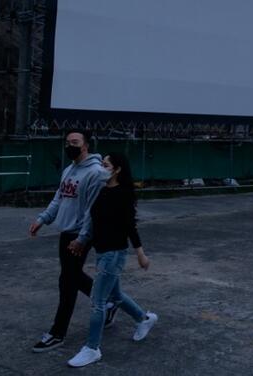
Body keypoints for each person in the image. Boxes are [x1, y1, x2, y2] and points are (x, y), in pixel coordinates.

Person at [66, 152, 157, 368]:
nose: (101, 168)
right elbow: (91, 219)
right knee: (114, 294)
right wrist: (81, 240)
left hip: (114, 253)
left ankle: (92, 348)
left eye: (105, 165)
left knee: (98, 302)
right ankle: (144, 319)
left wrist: (140, 253)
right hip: (101, 250)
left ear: (116, 170)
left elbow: (129, 225)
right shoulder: (101, 190)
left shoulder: (123, 194)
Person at [29, 129, 109, 352]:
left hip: (79, 234)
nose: (69, 146)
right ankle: (109, 303)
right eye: (67, 142)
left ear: (85, 146)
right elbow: (59, 198)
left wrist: (83, 238)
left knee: (67, 282)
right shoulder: (69, 170)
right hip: (67, 232)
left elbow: (93, 211)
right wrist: (42, 218)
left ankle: (58, 332)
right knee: (73, 276)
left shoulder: (95, 173)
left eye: (74, 142)